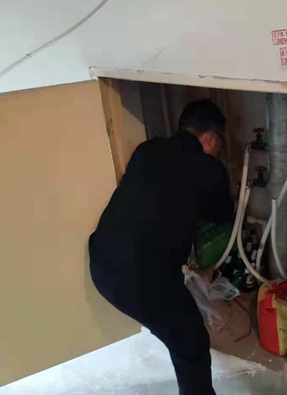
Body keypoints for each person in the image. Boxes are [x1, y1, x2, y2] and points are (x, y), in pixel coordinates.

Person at [89, 99, 233, 395]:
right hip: (142, 281)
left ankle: (164, 327)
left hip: (101, 263)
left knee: (169, 322)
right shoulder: (209, 168)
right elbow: (221, 214)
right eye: (219, 143)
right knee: (191, 342)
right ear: (210, 137)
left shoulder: (147, 149)